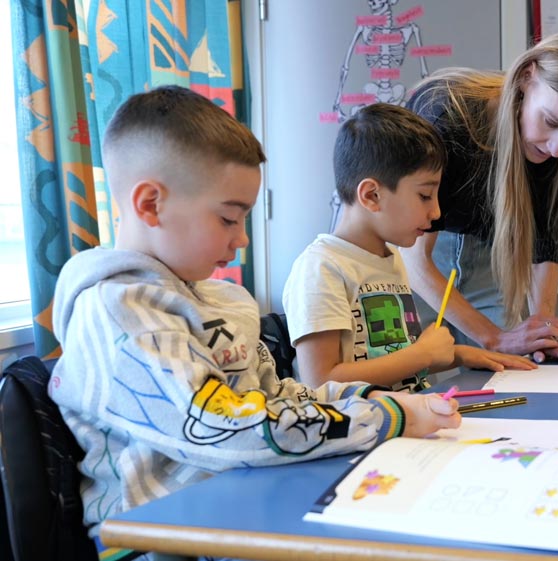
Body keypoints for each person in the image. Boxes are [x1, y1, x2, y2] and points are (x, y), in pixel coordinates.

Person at [48, 86, 461, 534]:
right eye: (228, 218)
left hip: (248, 504)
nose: (242, 238)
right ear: (151, 204)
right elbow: (224, 426)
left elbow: (275, 397)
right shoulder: (115, 313)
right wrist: (385, 418)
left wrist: (373, 399)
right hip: (168, 537)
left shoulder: (216, 299)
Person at [402, 29, 558, 365]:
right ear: (526, 77)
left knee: (520, 367)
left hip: (486, 255)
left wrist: (543, 327)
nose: (557, 149)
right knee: (412, 380)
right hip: (410, 258)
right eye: (550, 122)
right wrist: (494, 338)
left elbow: (545, 242)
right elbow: (414, 261)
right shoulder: (447, 115)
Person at [283, 103, 536, 390]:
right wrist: (421, 354)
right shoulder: (321, 268)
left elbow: (394, 358)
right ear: (372, 195)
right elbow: (321, 380)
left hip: (411, 419)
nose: (437, 212)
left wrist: (461, 354)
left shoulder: (390, 260)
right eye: (425, 195)